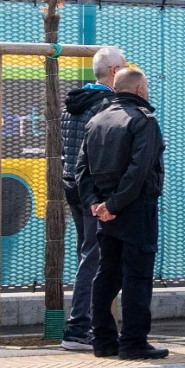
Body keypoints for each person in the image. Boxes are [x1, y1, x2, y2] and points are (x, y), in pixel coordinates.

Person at [76, 64, 167, 361]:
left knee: (106, 275)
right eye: (147, 87)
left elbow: (81, 169)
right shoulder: (144, 121)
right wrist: (113, 205)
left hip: (104, 212)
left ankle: (102, 341)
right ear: (140, 90)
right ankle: (133, 342)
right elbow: (139, 172)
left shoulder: (97, 120)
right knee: (137, 277)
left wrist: (96, 204)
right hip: (135, 210)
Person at [59, 45, 126, 346]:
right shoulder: (108, 106)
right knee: (94, 257)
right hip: (94, 193)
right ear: (114, 71)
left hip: (71, 185)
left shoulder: (73, 102)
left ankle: (87, 324)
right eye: (123, 67)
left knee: (87, 254)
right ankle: (78, 328)